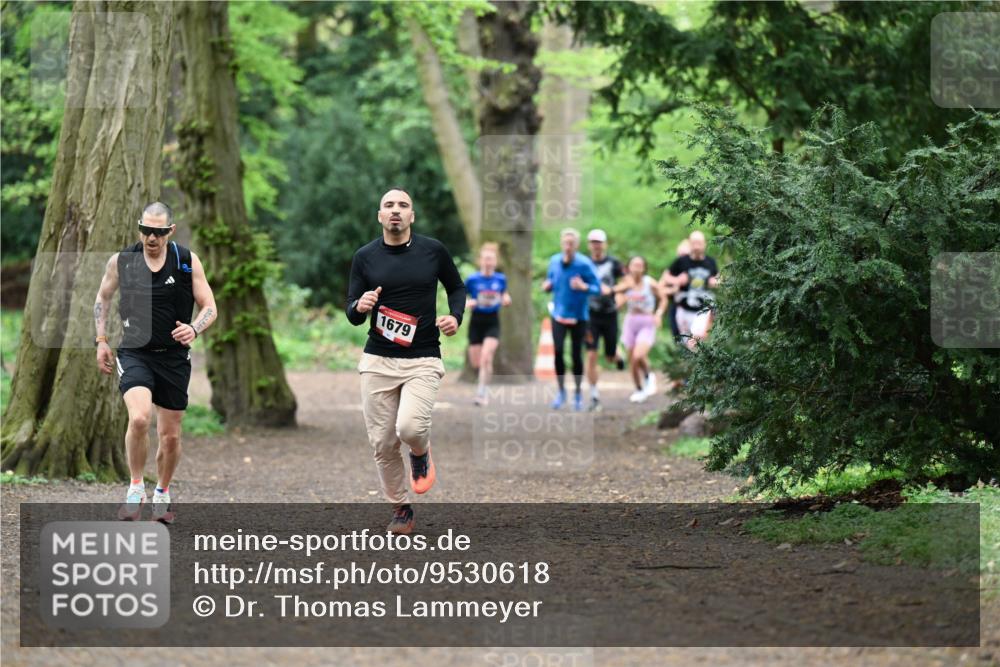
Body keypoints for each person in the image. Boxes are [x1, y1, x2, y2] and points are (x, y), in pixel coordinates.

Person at [346, 187, 466, 535]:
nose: (395, 210)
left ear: (412, 216)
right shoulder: (365, 257)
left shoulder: (433, 251)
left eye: (403, 205)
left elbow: (456, 287)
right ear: (380, 216)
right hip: (378, 360)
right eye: (388, 205)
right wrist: (360, 306)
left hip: (423, 357)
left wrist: (455, 316)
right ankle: (401, 508)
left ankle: (420, 450)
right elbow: (352, 311)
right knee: (382, 443)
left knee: (410, 428)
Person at [94, 202, 217, 522]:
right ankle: (135, 487)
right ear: (139, 229)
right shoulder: (122, 261)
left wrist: (194, 328)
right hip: (135, 353)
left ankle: (162, 492)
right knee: (139, 419)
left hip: (174, 358)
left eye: (159, 232)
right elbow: (103, 298)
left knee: (171, 435)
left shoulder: (186, 261)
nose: (151, 237)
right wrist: (101, 340)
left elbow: (209, 307)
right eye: (146, 230)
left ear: (170, 231)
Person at [541, 228, 601, 411]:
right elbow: (550, 281)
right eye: (565, 243)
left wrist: (583, 286)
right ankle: (561, 392)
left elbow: (597, 288)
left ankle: (576, 393)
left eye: (571, 243)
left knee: (576, 355)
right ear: (561, 243)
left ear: (576, 245)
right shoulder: (554, 261)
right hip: (558, 314)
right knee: (558, 352)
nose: (568, 246)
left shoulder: (584, 264)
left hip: (579, 317)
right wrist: (547, 286)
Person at [614, 256, 667, 402]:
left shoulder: (649, 283)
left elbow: (663, 298)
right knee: (633, 359)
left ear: (644, 268)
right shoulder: (624, 283)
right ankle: (639, 389)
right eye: (634, 265)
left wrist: (659, 314)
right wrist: (621, 298)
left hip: (647, 321)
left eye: (640, 265)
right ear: (628, 267)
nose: (637, 268)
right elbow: (617, 303)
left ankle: (649, 377)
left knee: (638, 355)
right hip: (630, 321)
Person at [465, 242, 511, 406]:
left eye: (491, 259)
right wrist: (468, 302)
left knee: (486, 357)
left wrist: (506, 299)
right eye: (485, 259)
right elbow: (461, 296)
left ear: (495, 261)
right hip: (476, 322)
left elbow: (504, 295)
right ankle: (481, 384)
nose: (488, 262)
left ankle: (482, 393)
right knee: (476, 362)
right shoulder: (472, 280)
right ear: (480, 261)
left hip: (493, 321)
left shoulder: (500, 279)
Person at [584, 229, 625, 412]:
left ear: (604, 244)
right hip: (590, 314)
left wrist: (614, 291)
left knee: (608, 356)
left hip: (609, 313)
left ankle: (617, 354)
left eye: (599, 242)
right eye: (593, 242)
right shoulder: (583, 264)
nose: (596, 245)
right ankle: (594, 396)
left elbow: (628, 282)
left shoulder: (614, 263)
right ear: (588, 245)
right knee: (591, 354)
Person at [662, 230, 718, 343]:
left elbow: (718, 278)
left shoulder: (710, 262)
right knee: (686, 343)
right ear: (690, 244)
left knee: (697, 339)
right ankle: (692, 359)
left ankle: (697, 356)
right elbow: (666, 277)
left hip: (702, 310)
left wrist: (715, 281)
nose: (696, 246)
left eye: (699, 243)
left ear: (704, 244)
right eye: (694, 243)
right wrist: (677, 280)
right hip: (683, 309)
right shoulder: (681, 261)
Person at [660, 239, 690, 342]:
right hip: (676, 307)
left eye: (685, 255)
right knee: (677, 339)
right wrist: (672, 290)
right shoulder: (672, 270)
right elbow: (659, 289)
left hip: (695, 308)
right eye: (680, 254)